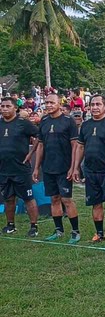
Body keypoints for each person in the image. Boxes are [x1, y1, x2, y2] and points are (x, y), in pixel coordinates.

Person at [73, 94, 105, 244]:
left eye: (98, 104)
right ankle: (99, 234)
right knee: (95, 203)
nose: (95, 107)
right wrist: (77, 167)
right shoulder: (86, 125)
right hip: (90, 171)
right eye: (93, 104)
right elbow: (81, 147)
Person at [32, 94, 80, 243]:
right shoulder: (44, 121)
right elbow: (40, 145)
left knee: (66, 199)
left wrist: (73, 167)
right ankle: (58, 230)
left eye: (52, 102)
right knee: (54, 199)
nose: (48, 105)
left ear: (59, 103)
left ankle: (75, 232)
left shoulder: (68, 121)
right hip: (48, 168)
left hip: (64, 167)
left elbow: (75, 146)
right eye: (46, 102)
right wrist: (36, 167)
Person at [0, 96, 40, 236]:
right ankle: (10, 225)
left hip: (20, 169)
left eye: (7, 106)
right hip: (4, 169)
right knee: (8, 198)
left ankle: (34, 227)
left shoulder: (23, 123)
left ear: (15, 108)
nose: (4, 109)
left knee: (28, 198)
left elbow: (39, 136)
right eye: (2, 106)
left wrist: (31, 153)